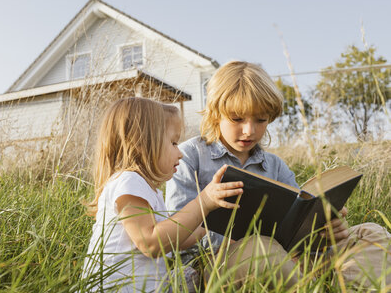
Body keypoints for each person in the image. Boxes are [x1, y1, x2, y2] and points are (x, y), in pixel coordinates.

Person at [166, 60, 391, 290]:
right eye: (237, 119)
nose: (249, 130)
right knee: (260, 247)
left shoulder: (274, 165)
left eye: (260, 120)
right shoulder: (188, 156)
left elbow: (297, 228)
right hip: (218, 266)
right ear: (215, 113)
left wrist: (325, 230)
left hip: (288, 260)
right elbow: (175, 240)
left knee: (371, 233)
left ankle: (348, 286)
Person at [81, 97, 244, 292]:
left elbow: (175, 239)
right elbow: (151, 243)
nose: (180, 153)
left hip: (147, 287)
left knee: (193, 276)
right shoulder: (128, 182)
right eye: (174, 143)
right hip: (116, 289)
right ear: (142, 144)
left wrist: (209, 232)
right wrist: (203, 202)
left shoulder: (148, 189)